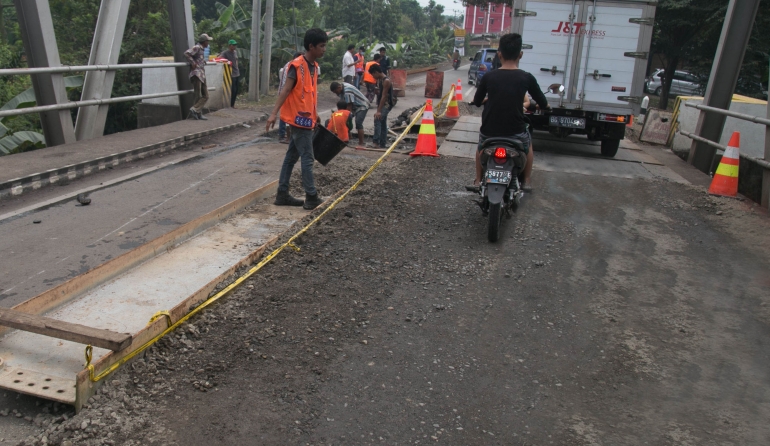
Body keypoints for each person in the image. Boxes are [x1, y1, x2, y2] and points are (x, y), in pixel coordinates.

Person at [469, 33, 549, 191]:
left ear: (499, 54)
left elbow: (477, 102)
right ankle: (526, 180)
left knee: (480, 148)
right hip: (516, 133)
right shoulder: (527, 78)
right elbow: (543, 103)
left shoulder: (489, 77)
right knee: (529, 145)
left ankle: (478, 180)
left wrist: (487, 100)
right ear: (520, 54)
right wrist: (538, 106)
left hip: (490, 132)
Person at [266, 29, 328, 210]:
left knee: (291, 157)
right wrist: (273, 114)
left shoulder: (314, 67)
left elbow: (310, 94)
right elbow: (285, 90)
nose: (324, 49)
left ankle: (282, 194)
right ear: (311, 46)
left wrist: (315, 114)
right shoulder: (296, 66)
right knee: (307, 158)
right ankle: (311, 197)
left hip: (307, 119)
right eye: (322, 46)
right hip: (298, 120)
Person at [330, 80, 370, 150]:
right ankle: (348, 136)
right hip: (354, 106)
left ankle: (361, 143)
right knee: (345, 119)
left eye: (336, 92)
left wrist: (344, 117)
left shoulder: (347, 91)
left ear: (339, 87)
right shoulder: (342, 86)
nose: (336, 94)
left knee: (358, 123)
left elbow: (349, 107)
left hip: (361, 105)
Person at [184, 33, 213, 120]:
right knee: (198, 95)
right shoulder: (197, 47)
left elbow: (197, 57)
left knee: (205, 95)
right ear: (204, 41)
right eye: (207, 41)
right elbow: (187, 53)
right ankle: (196, 111)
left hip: (201, 74)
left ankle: (196, 111)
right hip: (196, 74)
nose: (208, 43)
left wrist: (202, 61)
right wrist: (193, 63)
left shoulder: (202, 50)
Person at [277, 51, 303, 144]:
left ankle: (285, 135)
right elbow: (288, 85)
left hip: (285, 92)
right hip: (286, 93)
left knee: (286, 114)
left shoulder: (290, 65)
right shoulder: (292, 66)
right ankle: (283, 136)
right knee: (285, 115)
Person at [368, 63, 394, 149]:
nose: (373, 76)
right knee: (383, 123)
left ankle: (376, 142)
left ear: (376, 72)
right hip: (383, 103)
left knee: (378, 119)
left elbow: (384, 97)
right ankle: (382, 144)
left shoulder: (386, 81)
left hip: (387, 104)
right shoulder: (380, 80)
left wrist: (378, 111)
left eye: (372, 74)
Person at [218, 39, 240, 108]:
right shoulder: (225, 53)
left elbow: (236, 60)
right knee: (232, 90)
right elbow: (219, 58)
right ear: (229, 46)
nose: (234, 46)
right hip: (231, 74)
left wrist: (237, 66)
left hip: (237, 73)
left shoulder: (235, 52)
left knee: (236, 90)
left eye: (235, 45)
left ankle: (233, 104)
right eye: (233, 45)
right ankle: (230, 105)